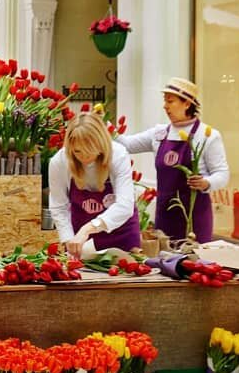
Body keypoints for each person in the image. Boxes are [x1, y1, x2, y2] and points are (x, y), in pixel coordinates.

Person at [120, 77, 229, 243]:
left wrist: (206, 183)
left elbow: (222, 173)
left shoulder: (208, 135)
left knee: (194, 263)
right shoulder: (159, 134)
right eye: (165, 101)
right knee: (165, 260)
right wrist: (103, 127)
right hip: (165, 216)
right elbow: (127, 144)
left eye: (170, 101)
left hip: (195, 218)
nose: (165, 106)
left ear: (187, 104)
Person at [49, 111, 140, 258]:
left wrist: (88, 229)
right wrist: (69, 240)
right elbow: (59, 206)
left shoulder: (118, 154)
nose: (84, 157)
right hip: (83, 240)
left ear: (101, 143)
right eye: (77, 151)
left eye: (90, 150)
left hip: (122, 235)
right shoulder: (59, 162)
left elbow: (125, 205)